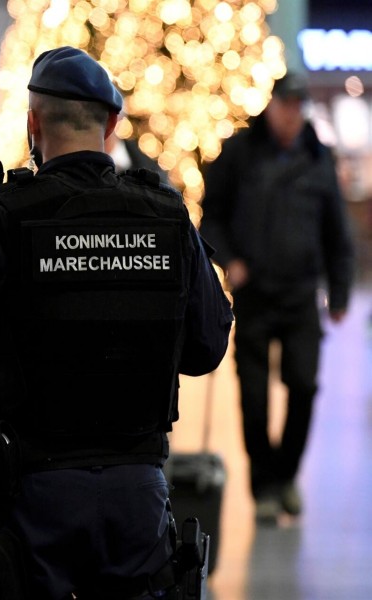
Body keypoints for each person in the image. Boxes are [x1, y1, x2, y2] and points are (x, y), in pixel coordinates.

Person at [0, 47, 233, 598]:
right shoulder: (167, 217)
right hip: (137, 492)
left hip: (32, 488)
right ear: (112, 126)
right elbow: (206, 347)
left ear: (32, 124)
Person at [200, 73, 355, 524]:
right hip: (254, 295)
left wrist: (340, 291)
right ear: (271, 107)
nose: (291, 115)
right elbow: (212, 219)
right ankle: (264, 487)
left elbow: (336, 231)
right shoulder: (239, 153)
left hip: (301, 292)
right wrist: (230, 260)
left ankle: (285, 476)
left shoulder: (317, 157)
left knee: (303, 386)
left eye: (298, 108)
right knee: (254, 397)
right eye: (285, 106)